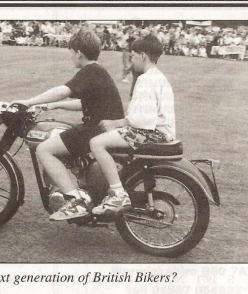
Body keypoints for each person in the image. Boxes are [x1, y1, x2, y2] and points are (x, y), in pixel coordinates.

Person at [11, 30, 125, 220]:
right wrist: (51, 105)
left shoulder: (89, 71)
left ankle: (75, 200)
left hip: (96, 130)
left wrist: (29, 101)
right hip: (103, 129)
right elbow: (84, 103)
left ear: (79, 52)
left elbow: (63, 90)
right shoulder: (98, 72)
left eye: (71, 52)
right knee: (61, 136)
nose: (71, 56)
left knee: (44, 150)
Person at [89, 34, 175, 214]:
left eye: (133, 56)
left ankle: (118, 195)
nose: (131, 61)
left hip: (152, 133)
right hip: (161, 131)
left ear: (143, 55)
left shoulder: (145, 79)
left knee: (96, 143)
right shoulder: (158, 76)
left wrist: (116, 123)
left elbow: (141, 119)